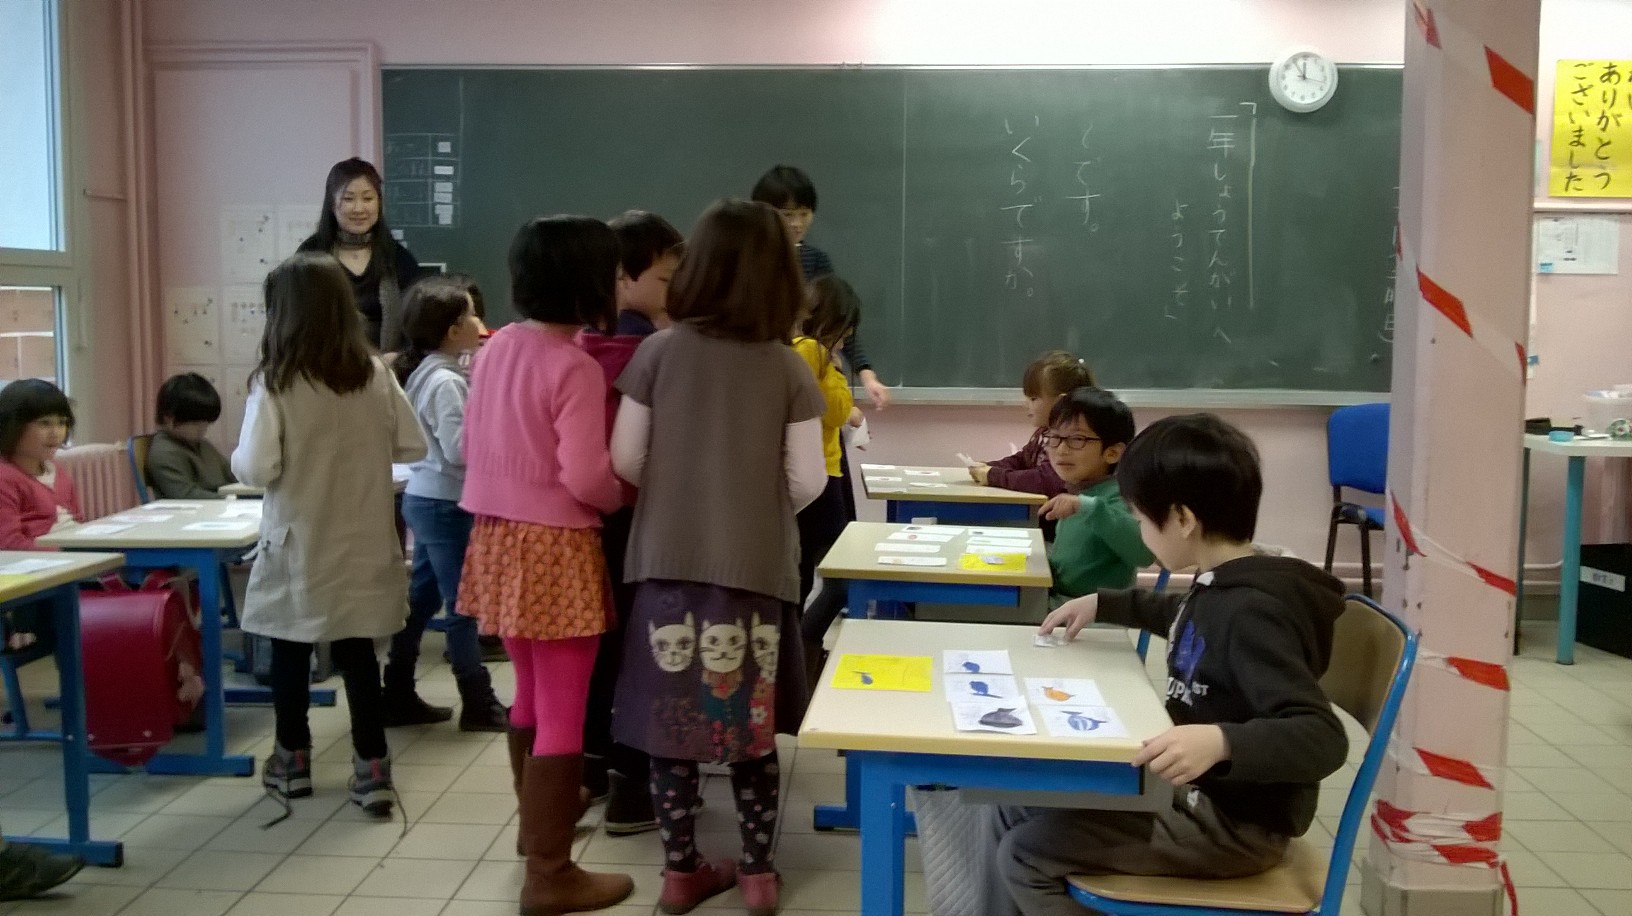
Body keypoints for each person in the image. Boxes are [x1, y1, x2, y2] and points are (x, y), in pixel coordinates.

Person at [978, 413, 1348, 915]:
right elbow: (1184, 616)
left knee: (1025, 855)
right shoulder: (1222, 584)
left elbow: (1321, 736)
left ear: (1182, 519)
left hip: (1232, 825)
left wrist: (1222, 741)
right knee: (1011, 802)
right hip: (1193, 794)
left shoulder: (1253, 612)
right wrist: (1106, 603)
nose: (1139, 530)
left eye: (1140, 519)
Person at [610, 199, 827, 916]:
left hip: (666, 566)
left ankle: (680, 873)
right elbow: (808, 481)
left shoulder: (656, 353)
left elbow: (626, 458)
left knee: (671, 728)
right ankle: (759, 875)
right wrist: (748, 505)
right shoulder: (787, 367)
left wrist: (683, 494)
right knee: (750, 729)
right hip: (754, 569)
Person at [457, 216, 633, 914]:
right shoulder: (574, 366)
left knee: (528, 691)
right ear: (588, 281)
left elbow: (473, 440)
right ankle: (551, 874)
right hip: (557, 543)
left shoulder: (496, 347)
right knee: (565, 709)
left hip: (496, 536)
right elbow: (585, 476)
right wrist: (621, 495)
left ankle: (535, 836)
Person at [233, 252, 428, 821]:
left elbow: (257, 467)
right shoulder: (373, 373)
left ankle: (292, 761)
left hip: (300, 539)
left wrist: (241, 456)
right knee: (359, 652)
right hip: (365, 536)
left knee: (290, 649)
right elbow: (413, 445)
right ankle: (372, 770)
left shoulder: (277, 380)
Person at [574, 209, 682, 836]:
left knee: (601, 646)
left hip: (588, 516)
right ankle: (632, 786)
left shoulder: (578, 341)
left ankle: (590, 769)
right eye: (665, 279)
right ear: (623, 277)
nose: (675, 290)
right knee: (644, 652)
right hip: (640, 515)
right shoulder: (645, 350)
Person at [382, 276, 508, 732]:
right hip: (445, 504)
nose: (479, 321)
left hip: (430, 498)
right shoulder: (445, 381)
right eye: (470, 314)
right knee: (463, 607)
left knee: (421, 600)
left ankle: (396, 691)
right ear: (453, 330)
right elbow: (458, 450)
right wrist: (497, 434)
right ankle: (477, 701)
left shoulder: (434, 372)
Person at [751, 164, 890, 410]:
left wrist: (867, 374)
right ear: (764, 213)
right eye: (787, 215)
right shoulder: (747, 259)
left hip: (808, 374)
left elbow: (837, 321)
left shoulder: (815, 261)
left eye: (804, 214)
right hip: (759, 370)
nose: (797, 223)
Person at [792, 274, 861, 690]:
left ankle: (802, 654)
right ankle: (801, 651)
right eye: (846, 326)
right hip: (816, 482)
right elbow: (833, 410)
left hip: (823, 476)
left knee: (823, 575)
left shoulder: (809, 352)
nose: (848, 336)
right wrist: (835, 371)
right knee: (841, 576)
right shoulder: (811, 353)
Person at [1034, 387, 1153, 604]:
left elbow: (1143, 554)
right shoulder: (1079, 492)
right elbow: (1074, 563)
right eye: (1055, 437)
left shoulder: (1119, 496)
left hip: (1093, 616)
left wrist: (1086, 507)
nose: (1061, 449)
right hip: (1061, 602)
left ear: (1112, 453)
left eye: (1077, 439)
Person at [297, 157, 421, 352]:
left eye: (368, 198)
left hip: (388, 366)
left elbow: (418, 325)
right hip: (324, 365)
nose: (359, 208)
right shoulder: (310, 255)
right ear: (332, 204)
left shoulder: (399, 258)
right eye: (348, 199)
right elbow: (295, 322)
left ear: (379, 203)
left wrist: (396, 358)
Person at [969, 350, 1097, 498]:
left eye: (1033, 398)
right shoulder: (1045, 434)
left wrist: (993, 475)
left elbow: (1044, 480)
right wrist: (990, 467)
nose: (1025, 404)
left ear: (1061, 402)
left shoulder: (1074, 442)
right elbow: (1023, 459)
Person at [0, 380, 79, 550]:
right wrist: (68, 552)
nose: (56, 433)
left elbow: (78, 519)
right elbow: (9, 544)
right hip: (51, 560)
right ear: (13, 426)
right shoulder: (4, 479)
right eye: (45, 423)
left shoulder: (56, 471)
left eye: (62, 423)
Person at [146, 373, 236, 499]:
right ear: (169, 418)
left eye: (206, 423)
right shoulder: (164, 452)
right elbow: (185, 494)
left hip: (220, 504)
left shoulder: (202, 444)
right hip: (199, 508)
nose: (203, 429)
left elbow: (233, 475)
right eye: (195, 424)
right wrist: (232, 500)